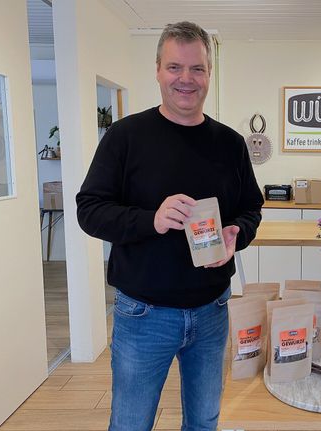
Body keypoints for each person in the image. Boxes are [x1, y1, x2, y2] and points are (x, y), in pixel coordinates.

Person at [76, 21, 264, 431]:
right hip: (143, 313)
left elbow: (252, 207)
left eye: (197, 68)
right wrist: (152, 219)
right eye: (175, 67)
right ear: (158, 70)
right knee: (131, 423)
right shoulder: (125, 136)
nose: (186, 79)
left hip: (213, 309)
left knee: (204, 422)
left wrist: (237, 234)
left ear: (209, 74)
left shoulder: (230, 143)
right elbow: (89, 210)